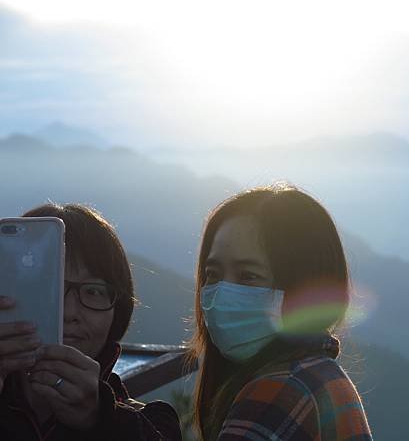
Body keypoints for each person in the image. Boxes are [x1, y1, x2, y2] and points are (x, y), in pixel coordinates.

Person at [188, 184, 372, 440]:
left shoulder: (278, 392)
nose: (222, 294)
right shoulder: (322, 376)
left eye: (248, 276)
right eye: (212, 274)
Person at [0, 203, 182, 441]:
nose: (68, 312)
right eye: (49, 287)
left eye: (93, 291)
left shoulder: (152, 425)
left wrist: (102, 418)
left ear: (118, 310)